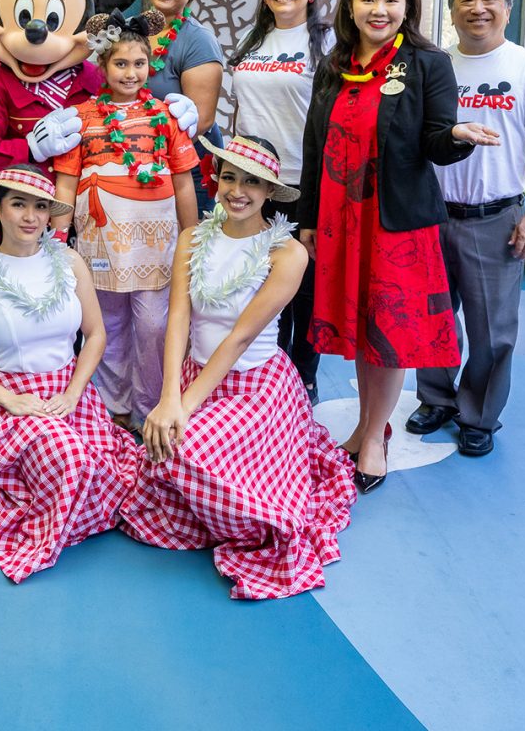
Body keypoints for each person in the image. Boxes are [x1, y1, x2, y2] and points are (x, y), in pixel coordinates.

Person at [297, 0, 499, 495]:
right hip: (341, 219)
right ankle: (368, 424)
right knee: (362, 331)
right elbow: (314, 146)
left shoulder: (427, 63)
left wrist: (456, 132)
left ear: (407, 7)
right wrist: (310, 219)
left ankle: (374, 441)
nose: (378, 10)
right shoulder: (334, 64)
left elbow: (435, 140)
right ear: (350, 8)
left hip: (394, 223)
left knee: (387, 333)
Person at [124, 137, 354, 600]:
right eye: (229, 177)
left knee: (182, 444)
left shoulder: (288, 254)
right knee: (166, 448)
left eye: (252, 181)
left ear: (271, 190)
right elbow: (180, 320)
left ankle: (257, 492)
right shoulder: (193, 237)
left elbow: (241, 338)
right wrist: (170, 395)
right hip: (195, 374)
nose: (237, 190)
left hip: (256, 389)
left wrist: (182, 408)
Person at [0, 167, 142, 583]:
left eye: (40, 206)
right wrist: (9, 399)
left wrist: (73, 394)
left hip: (70, 393)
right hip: (10, 400)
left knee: (120, 472)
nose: (30, 217)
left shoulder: (69, 261)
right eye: (18, 204)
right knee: (70, 459)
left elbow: (95, 335)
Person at [407, 0, 525, 457]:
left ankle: (479, 414)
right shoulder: (433, 65)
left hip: (494, 218)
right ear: (451, 9)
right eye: (466, 0)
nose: (478, 9)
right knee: (431, 317)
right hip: (430, 213)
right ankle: (436, 398)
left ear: (507, 6)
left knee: (492, 331)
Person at [52, 6, 198, 427]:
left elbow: (185, 182)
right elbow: (65, 181)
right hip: (100, 243)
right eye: (120, 63)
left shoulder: (167, 117)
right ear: (102, 66)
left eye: (139, 63)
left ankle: (151, 407)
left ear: (150, 65)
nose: (130, 72)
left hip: (157, 247)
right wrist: (59, 241)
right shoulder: (81, 118)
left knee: (154, 327)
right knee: (107, 325)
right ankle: (112, 409)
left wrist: (193, 239)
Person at [224, 0, 333, 400]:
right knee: (256, 281)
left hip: (305, 181)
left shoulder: (327, 43)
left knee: (303, 290)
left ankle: (302, 380)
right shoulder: (253, 40)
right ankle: (266, 375)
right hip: (253, 182)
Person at [139, 0, 224, 214]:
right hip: (138, 158)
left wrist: (149, 153)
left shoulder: (198, 40)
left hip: (188, 165)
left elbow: (202, 119)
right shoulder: (133, 30)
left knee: (185, 244)